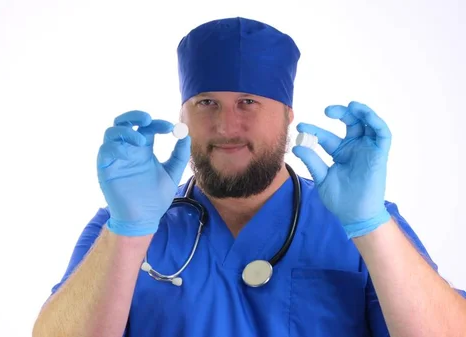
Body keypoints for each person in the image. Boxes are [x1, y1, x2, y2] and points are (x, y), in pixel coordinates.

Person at [32, 17, 466, 337]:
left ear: (288, 116)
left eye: (248, 103)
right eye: (206, 103)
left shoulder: (363, 223)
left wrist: (370, 227)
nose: (226, 126)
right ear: (182, 115)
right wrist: (128, 232)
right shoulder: (126, 226)